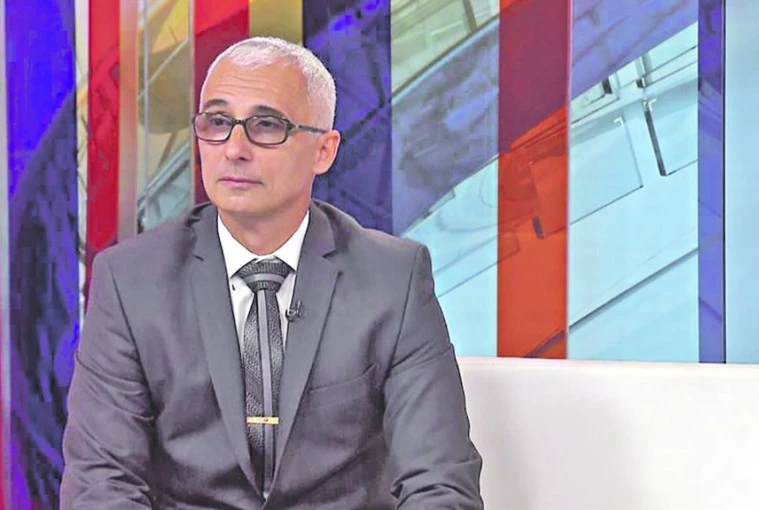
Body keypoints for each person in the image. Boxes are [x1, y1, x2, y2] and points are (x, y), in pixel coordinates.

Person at [60, 36, 483, 509]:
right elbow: (101, 483)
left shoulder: (394, 280)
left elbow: (439, 482)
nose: (234, 149)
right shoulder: (130, 282)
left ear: (323, 150)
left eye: (266, 126)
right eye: (218, 123)